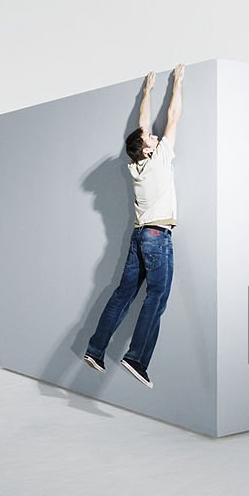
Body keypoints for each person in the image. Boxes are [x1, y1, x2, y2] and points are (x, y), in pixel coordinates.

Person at [83, 64, 184, 388]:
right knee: (157, 296)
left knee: (123, 294)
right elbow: (172, 118)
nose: (155, 135)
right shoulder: (160, 158)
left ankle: (96, 350)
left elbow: (143, 125)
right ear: (147, 149)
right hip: (156, 236)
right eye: (150, 138)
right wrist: (177, 84)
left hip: (139, 237)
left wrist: (146, 92)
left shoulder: (136, 167)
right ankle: (136, 358)